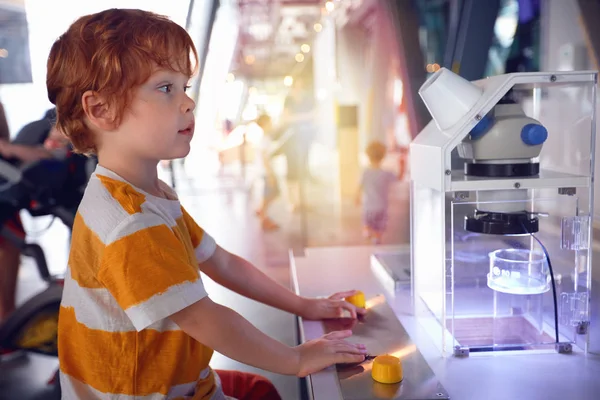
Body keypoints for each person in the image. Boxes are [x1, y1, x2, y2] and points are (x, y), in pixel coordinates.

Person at [47, 9, 367, 400]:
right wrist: (295, 360)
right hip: (142, 393)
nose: (187, 103)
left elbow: (222, 262)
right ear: (101, 110)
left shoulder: (150, 195)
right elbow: (201, 316)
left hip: (179, 381)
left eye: (185, 87)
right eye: (166, 88)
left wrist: (305, 305)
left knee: (258, 391)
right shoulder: (128, 222)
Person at [355, 141, 397, 244]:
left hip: (368, 206)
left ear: (367, 155)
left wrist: (357, 197)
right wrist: (402, 164)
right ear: (383, 156)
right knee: (379, 228)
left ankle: (367, 230)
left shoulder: (365, 172)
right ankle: (376, 238)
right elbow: (398, 178)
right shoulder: (386, 173)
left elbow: (359, 187)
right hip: (381, 207)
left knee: (367, 222)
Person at [254, 114, 280, 230]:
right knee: (269, 194)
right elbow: (265, 159)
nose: (272, 124)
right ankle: (263, 218)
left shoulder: (265, 138)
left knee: (274, 193)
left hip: (267, 171)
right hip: (267, 172)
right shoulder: (264, 139)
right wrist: (270, 174)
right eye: (270, 122)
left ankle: (261, 211)